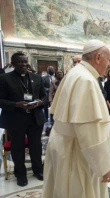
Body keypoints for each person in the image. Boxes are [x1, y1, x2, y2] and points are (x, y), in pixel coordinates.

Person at [42, 40, 110, 197]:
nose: (108, 64)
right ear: (98, 57)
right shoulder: (85, 80)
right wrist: (104, 166)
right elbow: (88, 131)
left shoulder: (75, 73)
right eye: (108, 59)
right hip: (75, 152)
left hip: (65, 144)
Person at [0, 52, 46, 187]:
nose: (24, 64)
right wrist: (16, 104)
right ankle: (20, 174)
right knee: (18, 148)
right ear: (13, 64)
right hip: (16, 119)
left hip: (35, 118)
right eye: (20, 62)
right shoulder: (4, 78)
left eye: (25, 62)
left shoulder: (37, 78)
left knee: (36, 146)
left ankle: (38, 170)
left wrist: (39, 103)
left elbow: (44, 96)